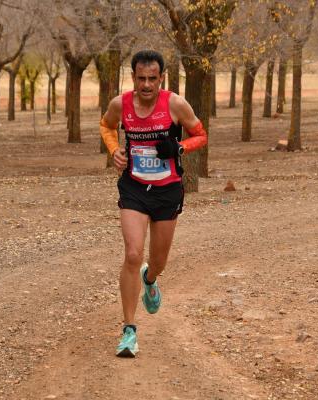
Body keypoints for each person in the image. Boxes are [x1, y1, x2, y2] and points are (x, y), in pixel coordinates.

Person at [99, 50, 207, 357]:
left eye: (152, 79)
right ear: (132, 77)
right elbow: (107, 126)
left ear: (161, 78)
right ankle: (129, 331)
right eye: (141, 79)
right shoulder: (121, 104)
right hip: (134, 187)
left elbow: (201, 134)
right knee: (133, 254)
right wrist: (113, 150)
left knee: (157, 262)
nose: (146, 85)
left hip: (167, 191)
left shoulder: (175, 104)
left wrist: (179, 147)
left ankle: (151, 279)